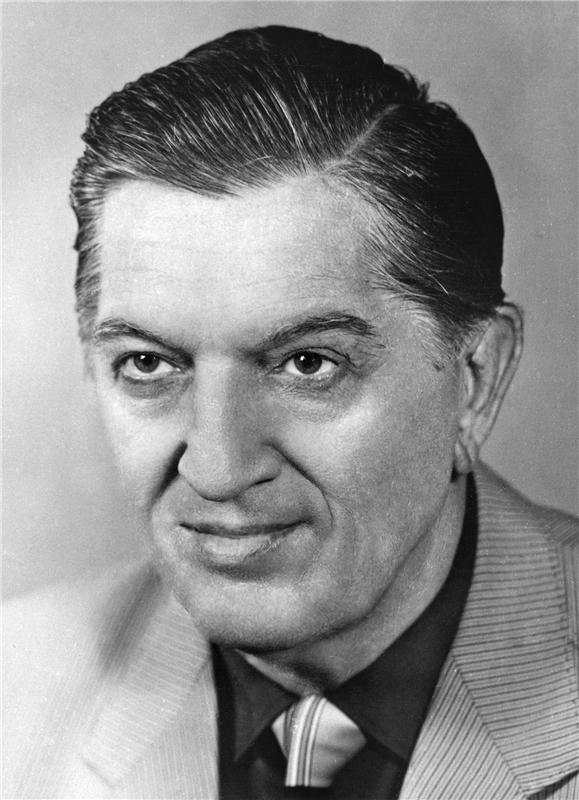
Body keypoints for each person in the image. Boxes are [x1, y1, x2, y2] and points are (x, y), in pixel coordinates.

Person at [4, 26, 578, 800]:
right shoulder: (16, 691)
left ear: (475, 379)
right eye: (148, 364)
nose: (218, 470)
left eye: (308, 363)